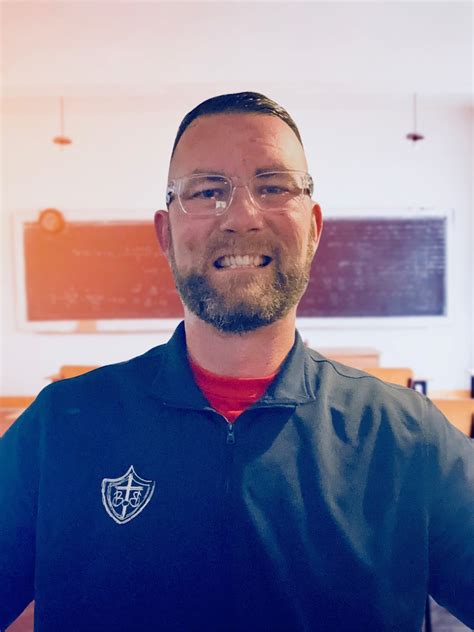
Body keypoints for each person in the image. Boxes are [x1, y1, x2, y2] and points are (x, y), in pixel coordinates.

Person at [1, 92, 473, 632]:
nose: (242, 216)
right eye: (207, 191)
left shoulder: (406, 437)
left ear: (314, 228)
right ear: (165, 235)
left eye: (273, 187)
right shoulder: (60, 429)